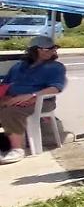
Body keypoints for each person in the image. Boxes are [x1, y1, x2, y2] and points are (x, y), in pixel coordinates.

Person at [0, 36, 68, 164]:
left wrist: (32, 96)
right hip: (13, 98)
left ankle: (17, 149)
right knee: (8, 106)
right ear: (35, 50)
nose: (53, 51)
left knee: (11, 112)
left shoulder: (56, 67)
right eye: (49, 49)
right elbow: (5, 85)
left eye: (55, 49)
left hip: (41, 101)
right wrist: (7, 98)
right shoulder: (18, 67)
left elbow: (55, 88)